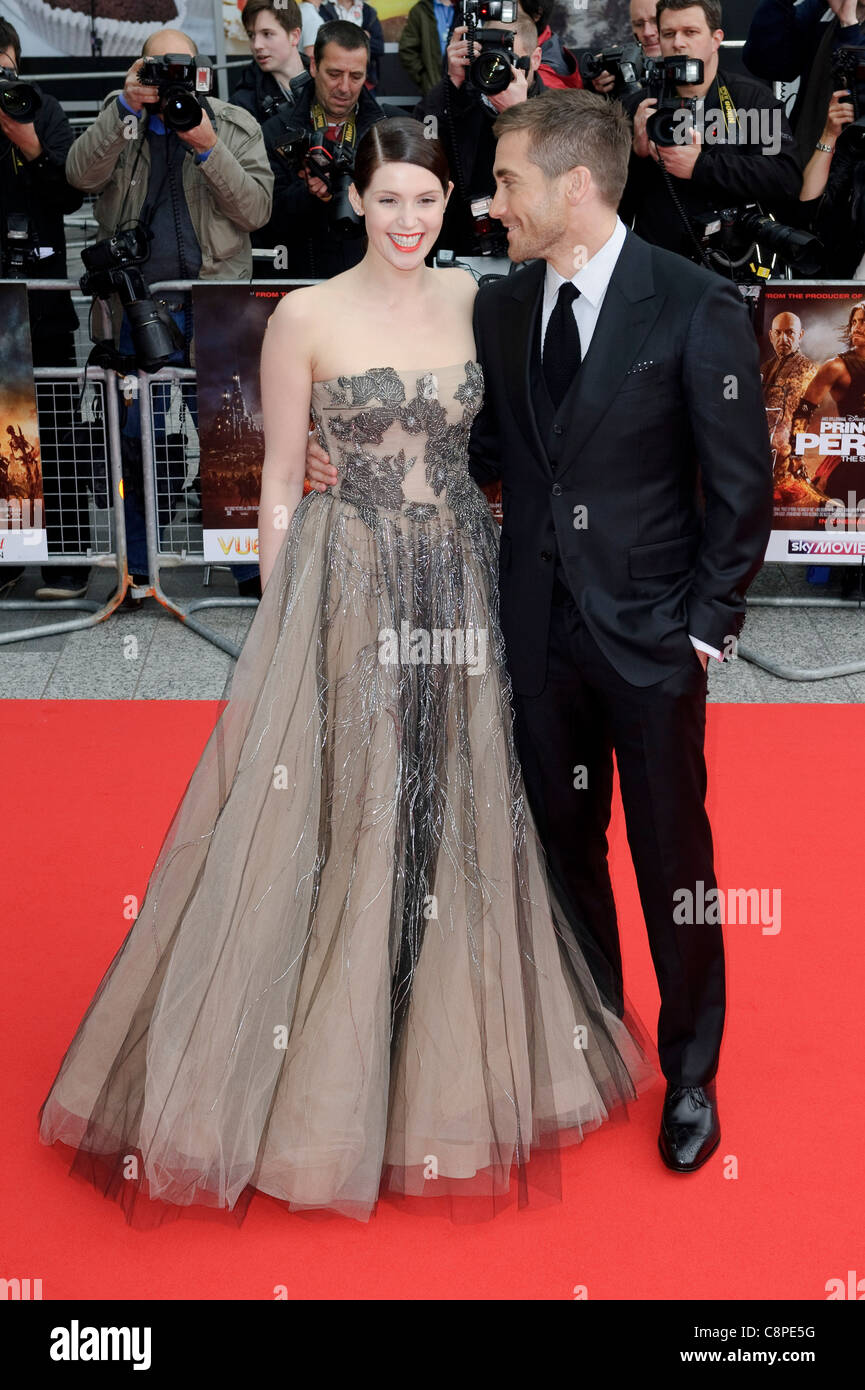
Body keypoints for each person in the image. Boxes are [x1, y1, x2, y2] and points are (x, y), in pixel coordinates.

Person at [37, 115, 656, 1227]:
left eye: (427, 199)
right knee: (354, 803)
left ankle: (430, 1046)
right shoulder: (305, 318)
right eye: (388, 201)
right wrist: (287, 617)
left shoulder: (485, 302)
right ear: (355, 203)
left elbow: (531, 430)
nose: (408, 221)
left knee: (464, 802)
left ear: (453, 198)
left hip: (464, 581)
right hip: (350, 584)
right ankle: (323, 1059)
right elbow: (277, 480)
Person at [307, 89, 775, 1172]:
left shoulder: (693, 302)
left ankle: (690, 1069)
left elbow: (741, 490)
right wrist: (347, 461)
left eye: (505, 179)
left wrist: (703, 631)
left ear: (573, 186)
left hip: (651, 641)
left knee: (672, 858)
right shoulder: (505, 304)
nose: (489, 199)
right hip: (530, 633)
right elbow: (480, 458)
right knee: (563, 848)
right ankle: (596, 1031)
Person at [65, 26, 273, 600]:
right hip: (139, 309)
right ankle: (136, 569)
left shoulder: (231, 124)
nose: (169, 80)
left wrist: (207, 146)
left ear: (199, 71)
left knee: (232, 440)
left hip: (215, 304)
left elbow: (256, 210)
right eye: (157, 69)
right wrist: (124, 108)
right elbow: (79, 176)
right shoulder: (121, 117)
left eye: (179, 69)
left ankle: (250, 570)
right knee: (137, 436)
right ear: (139, 70)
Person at [0, 17, 90, 603]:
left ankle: (67, 559)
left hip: (42, 297)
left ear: (14, 57)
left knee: (55, 431)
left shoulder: (45, 109)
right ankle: (8, 555)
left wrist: (27, 140)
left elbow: (71, 191)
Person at [621, 0, 802, 266]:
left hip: (733, 262)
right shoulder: (638, 106)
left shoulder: (751, 99)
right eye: (669, 34)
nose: (678, 43)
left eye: (690, 32)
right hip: (656, 264)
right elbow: (605, 200)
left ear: (716, 39)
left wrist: (701, 166)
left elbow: (785, 177)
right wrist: (634, 153)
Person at [412, 7, 544, 257]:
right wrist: (450, 83)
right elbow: (421, 141)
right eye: (491, 59)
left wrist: (518, 114)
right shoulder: (461, 102)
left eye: (508, 59)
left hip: (531, 254)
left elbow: (554, 183)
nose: (497, 70)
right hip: (463, 246)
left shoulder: (557, 110)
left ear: (535, 58)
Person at [260, 21, 388, 279]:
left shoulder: (385, 131)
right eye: (334, 73)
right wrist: (307, 192)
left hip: (369, 285)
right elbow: (263, 223)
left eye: (355, 76)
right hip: (301, 282)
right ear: (314, 66)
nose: (344, 87)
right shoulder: (276, 131)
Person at [231, 0, 311, 123]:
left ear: (294, 36)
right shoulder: (242, 104)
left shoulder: (325, 81)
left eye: (267, 34)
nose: (256, 45)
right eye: (251, 35)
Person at [319, 0, 384, 92]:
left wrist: (340, 38)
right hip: (333, 82)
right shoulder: (323, 8)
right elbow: (323, 44)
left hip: (366, 83)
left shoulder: (368, 11)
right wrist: (362, 36)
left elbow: (379, 48)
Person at [399, 0, 454, 94]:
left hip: (466, 87)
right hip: (434, 86)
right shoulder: (420, 10)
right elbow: (407, 48)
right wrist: (423, 76)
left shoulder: (467, 7)